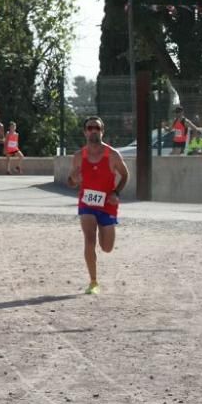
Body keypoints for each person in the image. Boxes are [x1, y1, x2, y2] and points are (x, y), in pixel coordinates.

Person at [67, 116, 130, 295]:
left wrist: (116, 192)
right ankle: (93, 282)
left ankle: (95, 277)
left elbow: (125, 175)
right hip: (86, 202)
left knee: (107, 247)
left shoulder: (112, 155)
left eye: (97, 128)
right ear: (85, 132)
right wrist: (73, 180)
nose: (93, 130)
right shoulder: (79, 156)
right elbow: (70, 181)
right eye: (90, 127)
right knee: (89, 239)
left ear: (102, 131)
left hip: (107, 205)